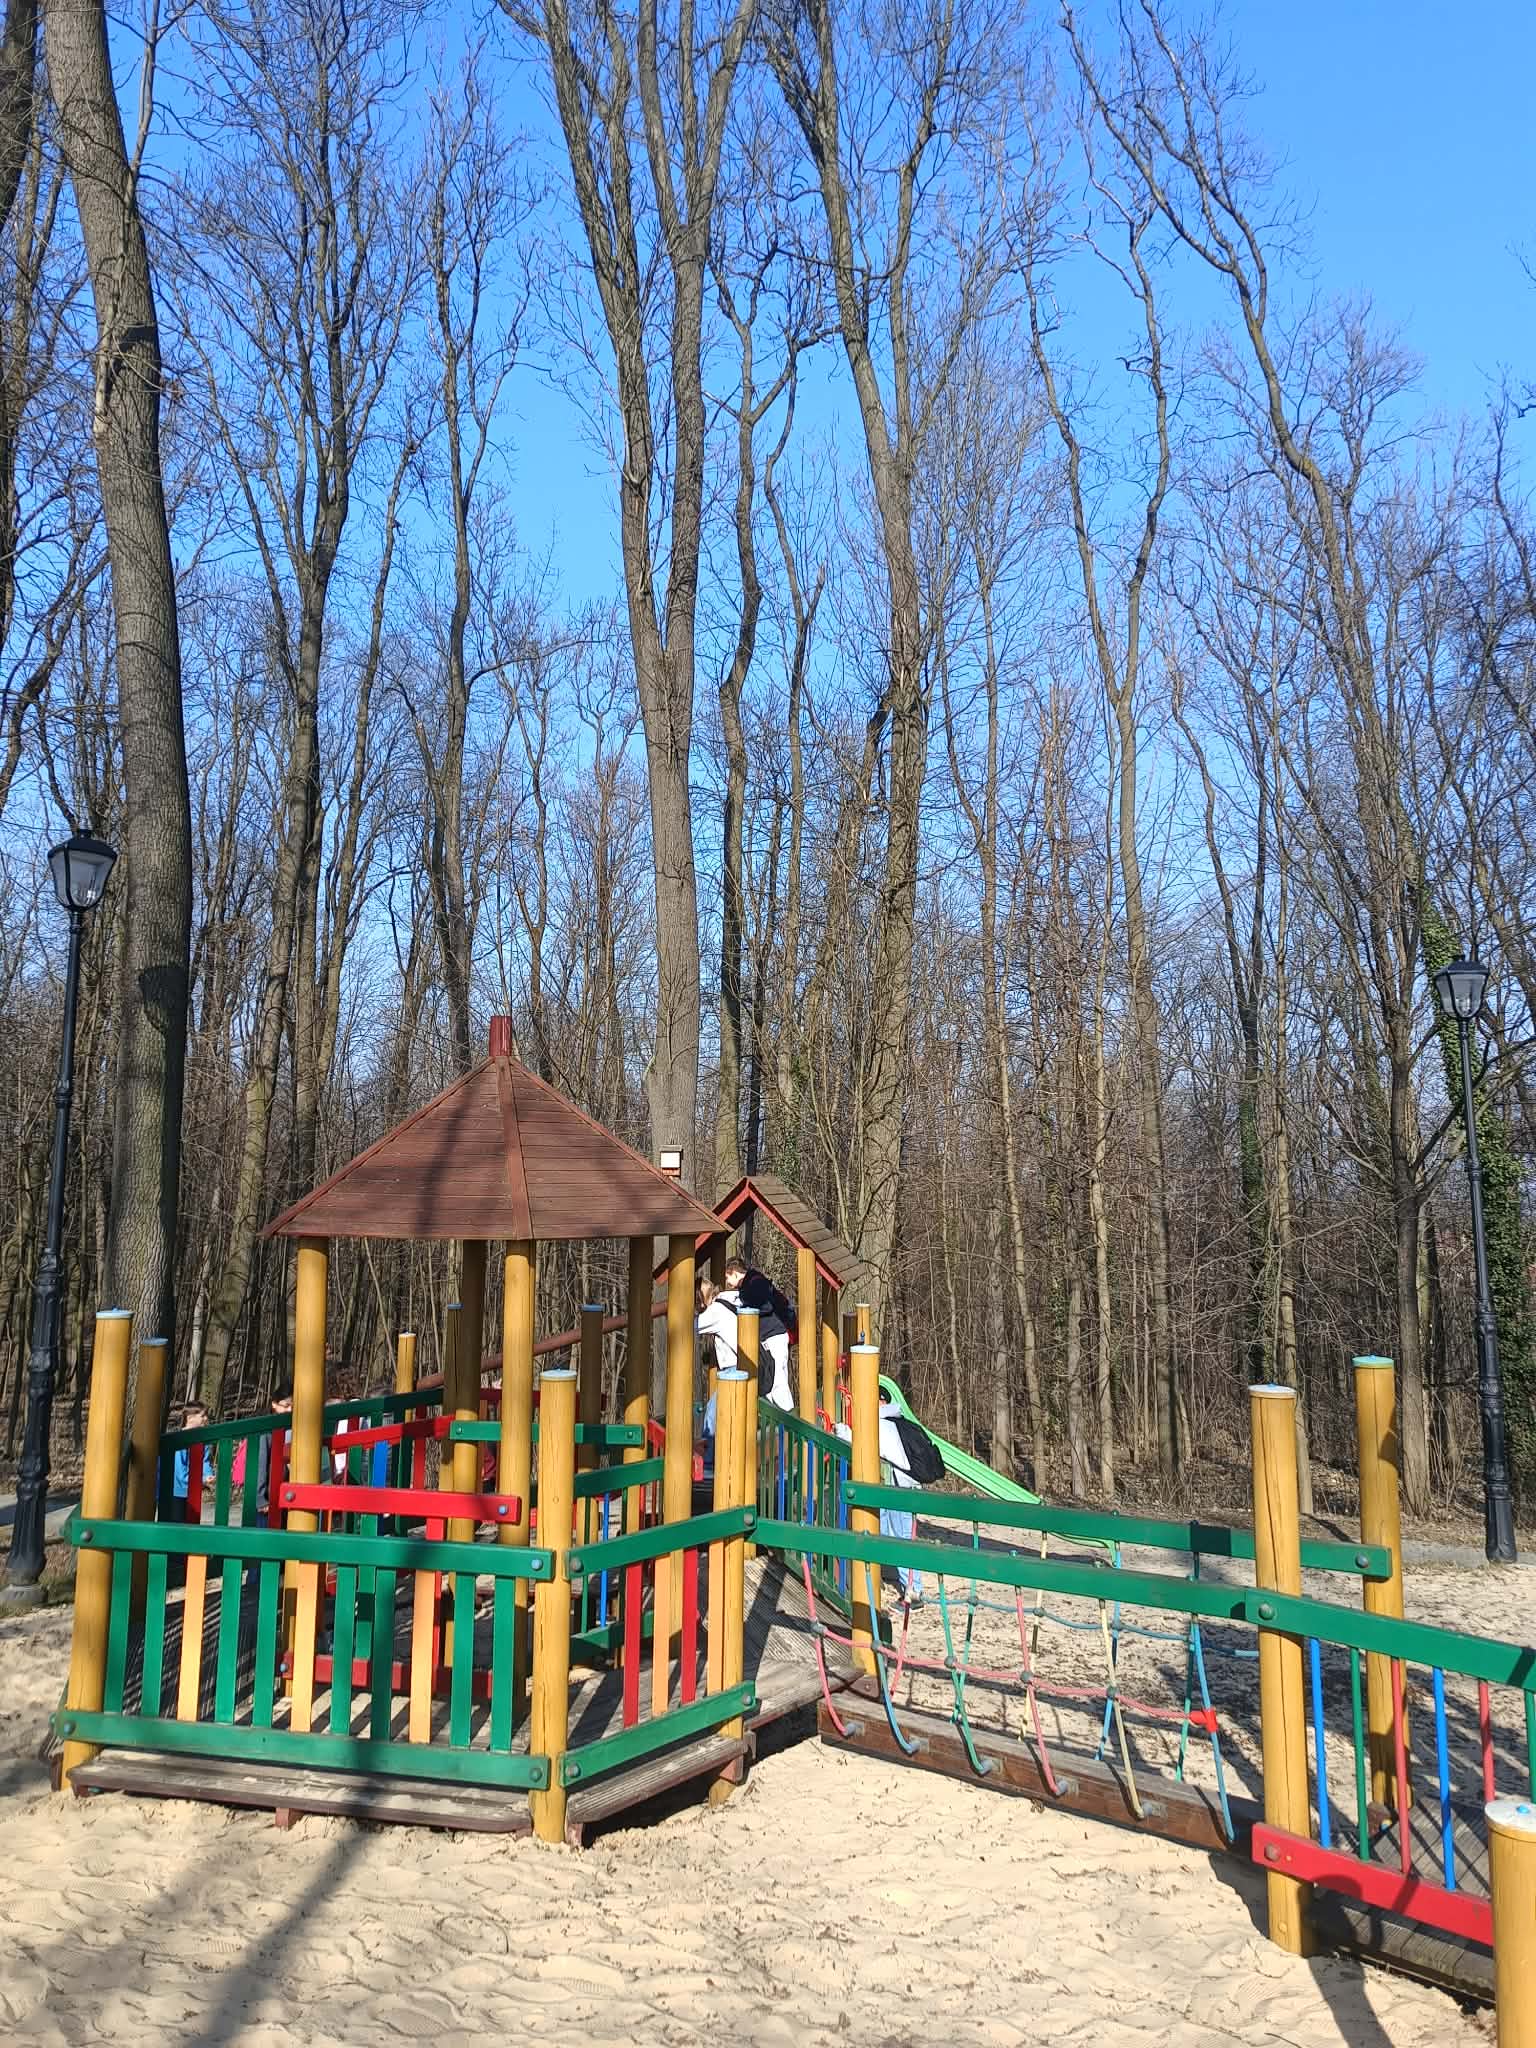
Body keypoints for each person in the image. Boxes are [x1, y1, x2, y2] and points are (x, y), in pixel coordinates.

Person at [836, 1394, 924, 1607]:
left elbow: (866, 1446)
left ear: (881, 1402)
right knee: (889, 1528)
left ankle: (914, 1592)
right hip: (900, 1484)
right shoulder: (893, 1420)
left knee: (902, 1537)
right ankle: (904, 1579)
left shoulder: (880, 1423)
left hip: (901, 1486)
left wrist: (843, 1432)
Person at [722, 1255, 794, 1412]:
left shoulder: (754, 1283)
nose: (727, 1282)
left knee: (777, 1382)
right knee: (770, 1381)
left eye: (727, 1277)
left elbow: (765, 1306)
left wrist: (744, 1309)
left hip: (773, 1336)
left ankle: (789, 1418)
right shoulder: (751, 1282)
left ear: (734, 1272)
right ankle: (781, 1419)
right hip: (769, 1337)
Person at [254, 1382, 294, 1523]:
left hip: (285, 1493)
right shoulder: (266, 1430)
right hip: (268, 1497)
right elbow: (261, 1463)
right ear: (274, 1404)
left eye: (293, 1406)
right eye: (286, 1405)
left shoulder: (291, 1426)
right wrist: (260, 1498)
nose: (290, 1410)